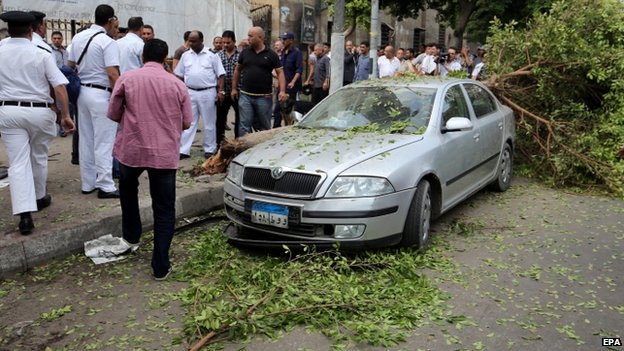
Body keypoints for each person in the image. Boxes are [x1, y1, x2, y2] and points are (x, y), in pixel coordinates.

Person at [107, 38, 192, 280]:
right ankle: (160, 264)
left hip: (131, 150)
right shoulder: (177, 84)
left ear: (143, 56)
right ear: (166, 59)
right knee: (164, 208)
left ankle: (131, 236)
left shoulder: (127, 78)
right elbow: (187, 122)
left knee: (128, 193)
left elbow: (113, 113)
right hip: (163, 154)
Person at [0, 11, 75, 234]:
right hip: (39, 111)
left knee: (18, 162)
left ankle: (25, 215)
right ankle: (39, 197)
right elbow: (60, 86)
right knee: (39, 156)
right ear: (32, 30)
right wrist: (65, 115)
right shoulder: (41, 52)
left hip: (9, 110)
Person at [68, 4, 121, 199]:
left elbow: (70, 65)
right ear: (110, 20)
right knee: (104, 141)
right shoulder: (107, 42)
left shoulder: (78, 37)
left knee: (87, 140)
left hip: (83, 92)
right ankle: (106, 185)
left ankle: (88, 183)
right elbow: (112, 73)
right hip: (101, 94)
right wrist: (120, 99)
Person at [174, 30, 225, 159]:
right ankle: (183, 150)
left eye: (194, 41)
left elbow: (221, 74)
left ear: (201, 41)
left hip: (207, 92)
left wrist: (220, 91)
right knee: (189, 122)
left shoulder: (212, 55)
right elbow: (179, 75)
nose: (191, 43)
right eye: (189, 41)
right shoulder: (186, 55)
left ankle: (209, 148)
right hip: (190, 92)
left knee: (209, 122)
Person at [231, 26, 286, 137]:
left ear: (260, 37)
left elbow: (280, 73)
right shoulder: (245, 52)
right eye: (248, 35)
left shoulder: (271, 54)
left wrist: (282, 91)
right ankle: (244, 150)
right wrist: (234, 88)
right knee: (244, 125)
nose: (248, 38)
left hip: (264, 97)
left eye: (251, 36)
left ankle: (263, 151)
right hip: (245, 96)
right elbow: (237, 70)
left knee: (264, 127)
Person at [275, 32, 302, 127]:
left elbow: (299, 70)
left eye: (285, 39)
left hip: (291, 86)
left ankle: (290, 126)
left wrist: (293, 82)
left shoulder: (297, 53)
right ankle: (276, 127)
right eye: (283, 39)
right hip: (282, 85)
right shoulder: (282, 53)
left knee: (289, 108)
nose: (283, 41)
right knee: (277, 108)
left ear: (291, 40)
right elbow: (280, 69)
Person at [217, 30, 240, 140]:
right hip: (223, 92)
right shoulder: (218, 55)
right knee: (220, 119)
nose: (225, 45)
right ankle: (220, 143)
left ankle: (237, 142)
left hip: (237, 92)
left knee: (239, 119)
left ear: (234, 41)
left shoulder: (241, 55)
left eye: (228, 43)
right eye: (224, 43)